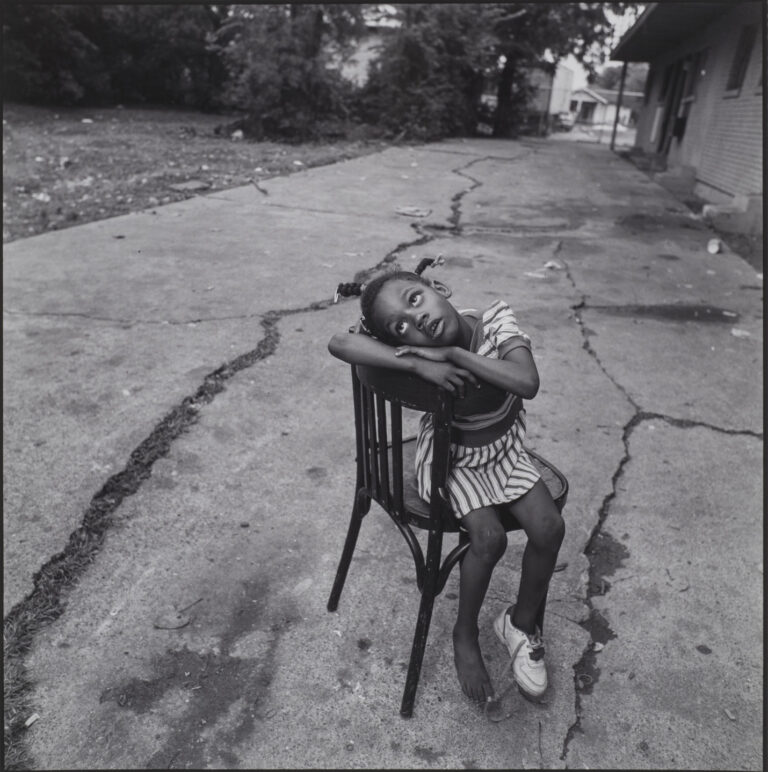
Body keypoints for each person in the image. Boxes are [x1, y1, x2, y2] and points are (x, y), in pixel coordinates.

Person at [328, 257, 565, 705]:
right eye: (401, 330)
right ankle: (464, 634)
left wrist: (454, 356)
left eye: (416, 300)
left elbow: (526, 381)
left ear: (439, 286)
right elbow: (340, 341)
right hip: (451, 460)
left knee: (550, 527)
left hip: (504, 451)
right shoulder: (420, 357)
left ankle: (519, 622)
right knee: (489, 538)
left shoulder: (495, 319)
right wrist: (418, 366)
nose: (417, 321)